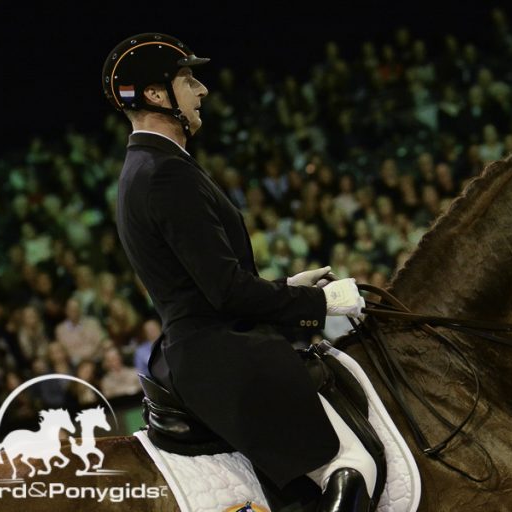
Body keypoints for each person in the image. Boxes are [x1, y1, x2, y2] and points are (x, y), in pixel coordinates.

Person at [103, 33, 375, 511]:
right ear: (155, 94)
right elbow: (226, 293)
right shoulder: (166, 173)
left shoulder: (145, 167)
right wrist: (321, 304)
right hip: (222, 355)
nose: (202, 89)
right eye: (188, 79)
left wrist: (285, 289)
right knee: (351, 469)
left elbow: (203, 284)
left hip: (204, 344)